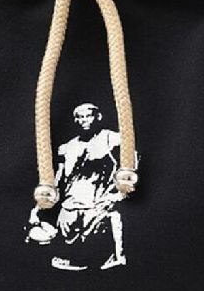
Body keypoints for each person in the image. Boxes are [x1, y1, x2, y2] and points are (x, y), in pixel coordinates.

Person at [27, 103, 132, 270]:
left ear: (98, 117)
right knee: (66, 249)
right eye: (80, 117)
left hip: (98, 204)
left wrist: (118, 194)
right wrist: (39, 206)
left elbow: (131, 163)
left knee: (110, 223)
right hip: (70, 205)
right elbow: (58, 179)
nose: (84, 120)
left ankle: (117, 256)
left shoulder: (111, 139)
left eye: (88, 116)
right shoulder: (68, 148)